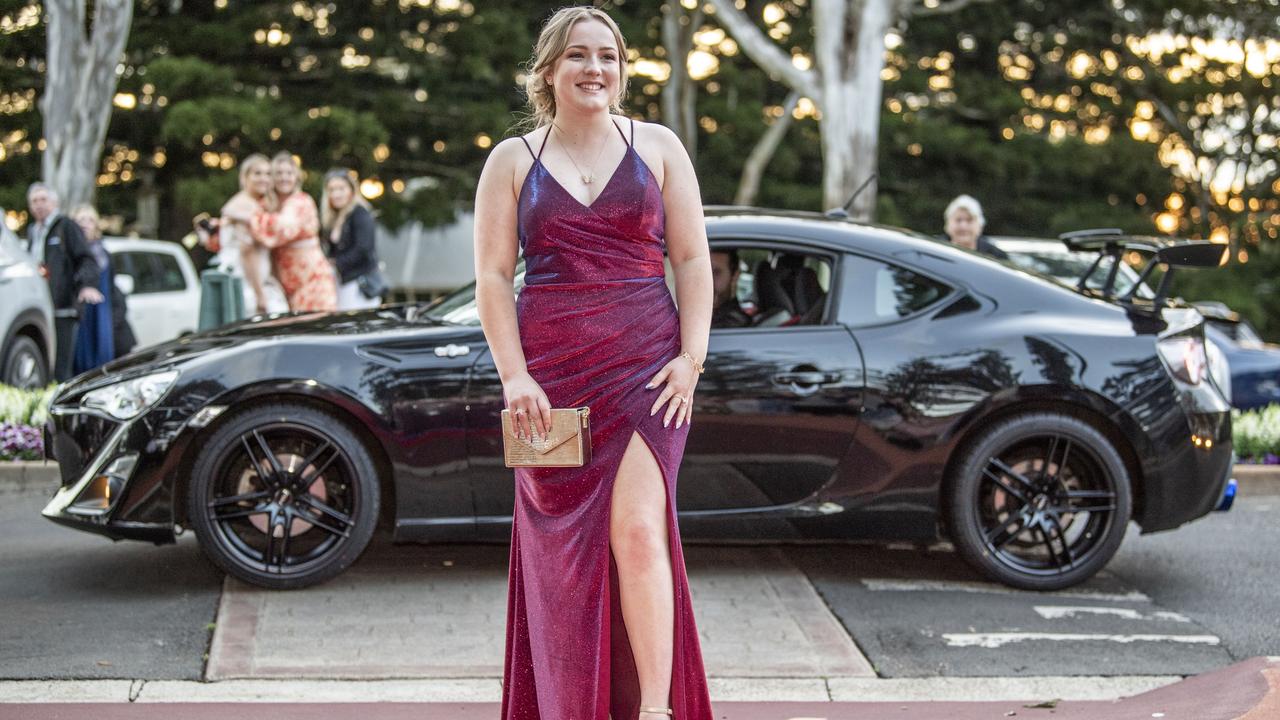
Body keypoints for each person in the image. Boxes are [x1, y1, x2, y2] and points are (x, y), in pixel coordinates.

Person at [473, 7, 714, 719]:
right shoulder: (512, 160)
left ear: (622, 68)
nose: (595, 69)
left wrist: (692, 357)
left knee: (639, 530)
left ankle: (656, 709)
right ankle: (571, 704)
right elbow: (491, 277)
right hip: (550, 381)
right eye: (578, 56)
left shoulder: (660, 146)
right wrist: (514, 374)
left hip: (648, 370)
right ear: (549, 70)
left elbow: (694, 258)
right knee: (562, 557)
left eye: (607, 56)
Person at [24, 182, 103, 381]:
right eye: (34, 201)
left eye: (43, 199)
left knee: (61, 366)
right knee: (43, 365)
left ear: (53, 202)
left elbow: (86, 259)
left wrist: (86, 285)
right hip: (40, 306)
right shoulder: (33, 231)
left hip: (63, 307)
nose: (39, 205)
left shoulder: (65, 226)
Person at [196, 154, 289, 315]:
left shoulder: (248, 204)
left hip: (246, 279)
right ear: (245, 177)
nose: (264, 179)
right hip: (247, 284)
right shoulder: (243, 207)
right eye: (257, 173)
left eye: (268, 174)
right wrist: (260, 295)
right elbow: (247, 251)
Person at [249, 152, 337, 312]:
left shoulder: (302, 201)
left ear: (296, 177)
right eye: (279, 173)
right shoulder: (268, 205)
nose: (284, 178)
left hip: (313, 282)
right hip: (286, 288)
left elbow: (282, 228)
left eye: (289, 173)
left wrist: (251, 218)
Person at [68, 205, 132, 370]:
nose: (86, 224)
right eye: (81, 220)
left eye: (90, 220)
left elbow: (112, 287)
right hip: (79, 312)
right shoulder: (69, 254)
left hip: (102, 312)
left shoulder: (105, 254)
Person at [320, 168, 382, 310]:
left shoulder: (360, 213)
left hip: (359, 283)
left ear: (351, 190)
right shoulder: (334, 217)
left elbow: (363, 248)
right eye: (332, 190)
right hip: (342, 281)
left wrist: (335, 263)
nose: (336, 194)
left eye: (341, 189)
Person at [943, 194, 1009, 260]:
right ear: (948, 224)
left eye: (969, 220)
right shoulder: (938, 251)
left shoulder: (996, 256)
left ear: (980, 225)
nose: (963, 226)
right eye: (958, 220)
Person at [710, 249, 750, 328]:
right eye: (701, 271)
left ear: (735, 275)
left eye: (716, 272)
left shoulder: (733, 323)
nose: (707, 281)